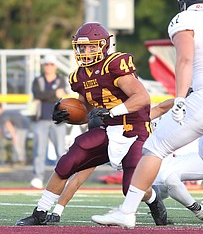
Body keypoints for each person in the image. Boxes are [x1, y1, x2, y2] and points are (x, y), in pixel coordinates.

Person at [91, 0, 203, 230]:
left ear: (188, 0)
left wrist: (180, 98)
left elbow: (185, 59)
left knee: (154, 149)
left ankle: (127, 212)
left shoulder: (185, 20)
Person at [15, 22, 166, 226]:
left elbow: (142, 98)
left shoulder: (114, 64)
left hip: (135, 129)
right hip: (107, 127)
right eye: (82, 47)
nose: (86, 51)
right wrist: (66, 114)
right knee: (68, 161)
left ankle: (154, 201)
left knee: (131, 186)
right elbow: (86, 112)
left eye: (92, 46)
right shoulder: (79, 76)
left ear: (103, 46)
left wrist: (113, 111)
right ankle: (41, 211)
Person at [45, 98, 203, 224]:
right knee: (170, 180)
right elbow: (76, 180)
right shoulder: (101, 145)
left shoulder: (132, 124)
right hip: (150, 181)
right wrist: (57, 210)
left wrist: (183, 98)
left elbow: (159, 108)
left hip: (172, 161)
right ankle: (200, 211)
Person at [30, 54, 68, 189]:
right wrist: (53, 94)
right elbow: (38, 94)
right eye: (47, 64)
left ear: (55, 66)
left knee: (60, 151)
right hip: (41, 119)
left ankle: (62, 177)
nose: (49, 67)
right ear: (43, 66)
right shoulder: (38, 80)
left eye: (51, 64)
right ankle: (37, 177)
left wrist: (49, 95)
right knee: (39, 151)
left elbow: (62, 96)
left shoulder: (61, 79)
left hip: (57, 120)